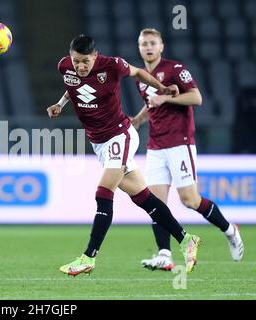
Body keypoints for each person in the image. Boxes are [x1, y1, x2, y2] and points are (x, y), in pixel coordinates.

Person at [47, 34, 201, 276]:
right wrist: (60, 104)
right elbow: (72, 87)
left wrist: (162, 89)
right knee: (144, 198)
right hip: (98, 142)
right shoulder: (64, 66)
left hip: (120, 135)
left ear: (95, 56)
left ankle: (89, 257)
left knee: (103, 193)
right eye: (77, 61)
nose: (80, 66)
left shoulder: (112, 65)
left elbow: (139, 73)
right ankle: (186, 239)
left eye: (85, 61)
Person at [131, 28, 244, 271]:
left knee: (189, 200)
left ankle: (229, 229)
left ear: (161, 46)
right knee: (155, 203)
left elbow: (196, 97)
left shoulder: (175, 70)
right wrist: (140, 119)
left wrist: (167, 99)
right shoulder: (141, 77)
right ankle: (164, 254)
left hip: (179, 142)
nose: (148, 47)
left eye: (153, 43)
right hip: (155, 145)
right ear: (139, 48)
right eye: (143, 44)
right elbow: (152, 104)